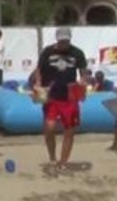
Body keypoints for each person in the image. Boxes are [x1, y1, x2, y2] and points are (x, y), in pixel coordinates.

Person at [30, 28, 90, 171]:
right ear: (57, 39)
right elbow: (39, 69)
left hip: (70, 96)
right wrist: (38, 83)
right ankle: (52, 157)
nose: (64, 43)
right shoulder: (48, 52)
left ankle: (63, 162)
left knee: (69, 130)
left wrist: (83, 83)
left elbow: (83, 72)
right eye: (62, 40)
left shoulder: (77, 53)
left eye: (67, 40)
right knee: (49, 127)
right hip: (51, 95)